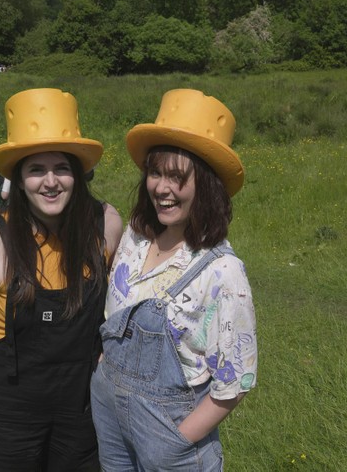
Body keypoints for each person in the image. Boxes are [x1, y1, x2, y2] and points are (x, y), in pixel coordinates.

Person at [0, 88, 123, 472]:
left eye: (62, 168)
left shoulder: (105, 227)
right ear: (19, 180)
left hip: (80, 415)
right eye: (36, 169)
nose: (50, 182)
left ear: (79, 173)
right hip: (4, 419)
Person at [91, 89, 258, 470]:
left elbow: (234, 383)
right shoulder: (135, 237)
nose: (162, 189)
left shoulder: (221, 272)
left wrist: (176, 441)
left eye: (177, 177)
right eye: (155, 173)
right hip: (108, 416)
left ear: (206, 185)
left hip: (169, 438)